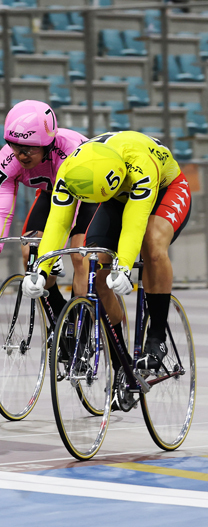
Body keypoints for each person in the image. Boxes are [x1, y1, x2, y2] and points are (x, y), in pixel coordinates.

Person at [21, 131, 191, 374]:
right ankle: (121, 364)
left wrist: (123, 266)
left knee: (152, 244)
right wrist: (41, 269)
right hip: (114, 197)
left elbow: (134, 222)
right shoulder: (70, 172)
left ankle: (157, 339)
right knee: (95, 267)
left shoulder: (141, 165)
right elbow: (58, 224)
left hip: (166, 188)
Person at [0, 100, 96, 315]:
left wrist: (54, 248)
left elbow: (70, 209)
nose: (21, 155)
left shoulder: (69, 151)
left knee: (79, 254)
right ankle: (59, 319)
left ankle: (82, 328)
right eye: (16, 146)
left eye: (29, 149)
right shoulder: (6, 161)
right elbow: (2, 211)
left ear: (47, 144)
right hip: (50, 195)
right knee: (31, 250)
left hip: (90, 196)